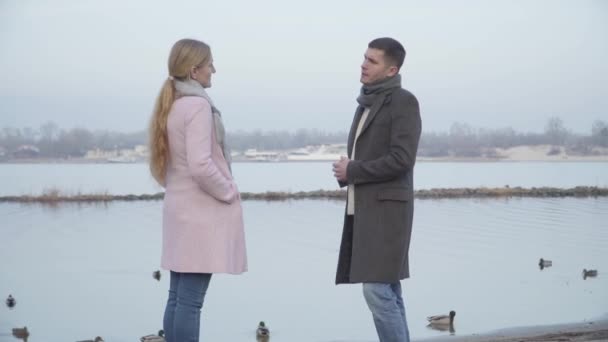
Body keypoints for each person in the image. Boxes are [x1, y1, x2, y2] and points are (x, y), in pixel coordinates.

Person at [148, 38, 247, 342]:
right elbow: (201, 165)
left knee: (177, 296)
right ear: (194, 71)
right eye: (209, 64)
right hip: (200, 216)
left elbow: (172, 166)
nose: (213, 70)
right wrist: (228, 191)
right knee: (190, 301)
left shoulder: (172, 105)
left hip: (179, 211)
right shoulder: (197, 106)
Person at [332, 37, 421, 342]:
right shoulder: (367, 102)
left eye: (372, 61)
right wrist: (348, 173)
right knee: (387, 289)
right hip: (366, 210)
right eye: (364, 58)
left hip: (388, 213)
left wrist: (353, 170)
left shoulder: (403, 101)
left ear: (391, 69)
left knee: (376, 289)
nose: (363, 64)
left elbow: (402, 159)